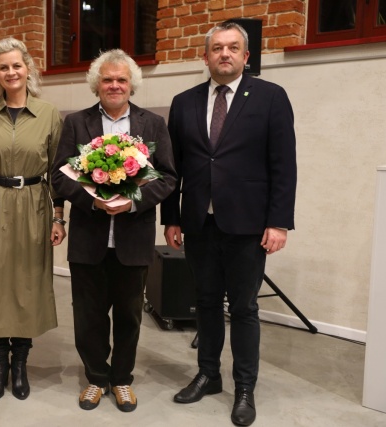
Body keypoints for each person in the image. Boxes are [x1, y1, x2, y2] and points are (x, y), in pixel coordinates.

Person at [160, 21, 297, 426]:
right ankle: (208, 374)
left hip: (249, 225)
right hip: (199, 222)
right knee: (204, 302)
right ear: (205, 57)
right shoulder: (183, 102)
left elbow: (283, 165)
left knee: (244, 308)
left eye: (233, 47)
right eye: (217, 48)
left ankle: (244, 388)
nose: (225, 54)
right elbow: (172, 167)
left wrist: (279, 222)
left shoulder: (271, 97)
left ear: (246, 56)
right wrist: (171, 218)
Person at [51, 49, 177, 413]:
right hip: (88, 238)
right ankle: (96, 377)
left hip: (133, 238)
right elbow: (58, 175)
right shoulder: (76, 123)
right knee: (88, 316)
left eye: (121, 79)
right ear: (97, 84)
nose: (114, 85)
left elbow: (168, 177)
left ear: (131, 84)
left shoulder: (153, 124)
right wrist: (94, 201)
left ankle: (121, 379)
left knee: (128, 315)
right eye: (107, 79)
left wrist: (132, 202)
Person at [0, 37, 66, 402]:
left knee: (27, 282)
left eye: (16, 65)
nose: (11, 72)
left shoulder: (49, 114)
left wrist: (58, 217)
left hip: (34, 204)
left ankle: (20, 363)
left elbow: (58, 171)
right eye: (3, 67)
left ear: (28, 69)